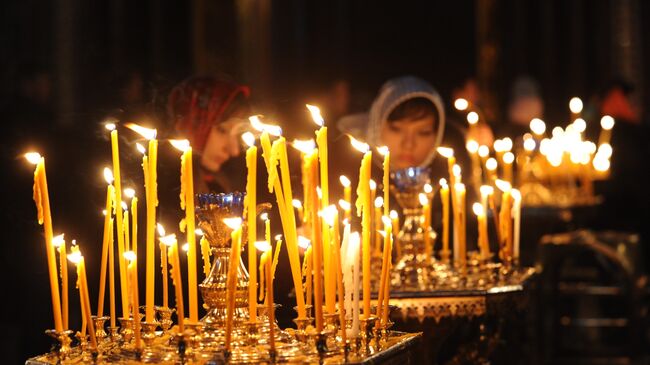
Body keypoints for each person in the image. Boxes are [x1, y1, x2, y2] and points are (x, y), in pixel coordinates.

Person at [167, 75, 252, 194]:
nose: (234, 150)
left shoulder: (221, 185)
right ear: (191, 122)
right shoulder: (162, 193)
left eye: (237, 135)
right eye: (222, 130)